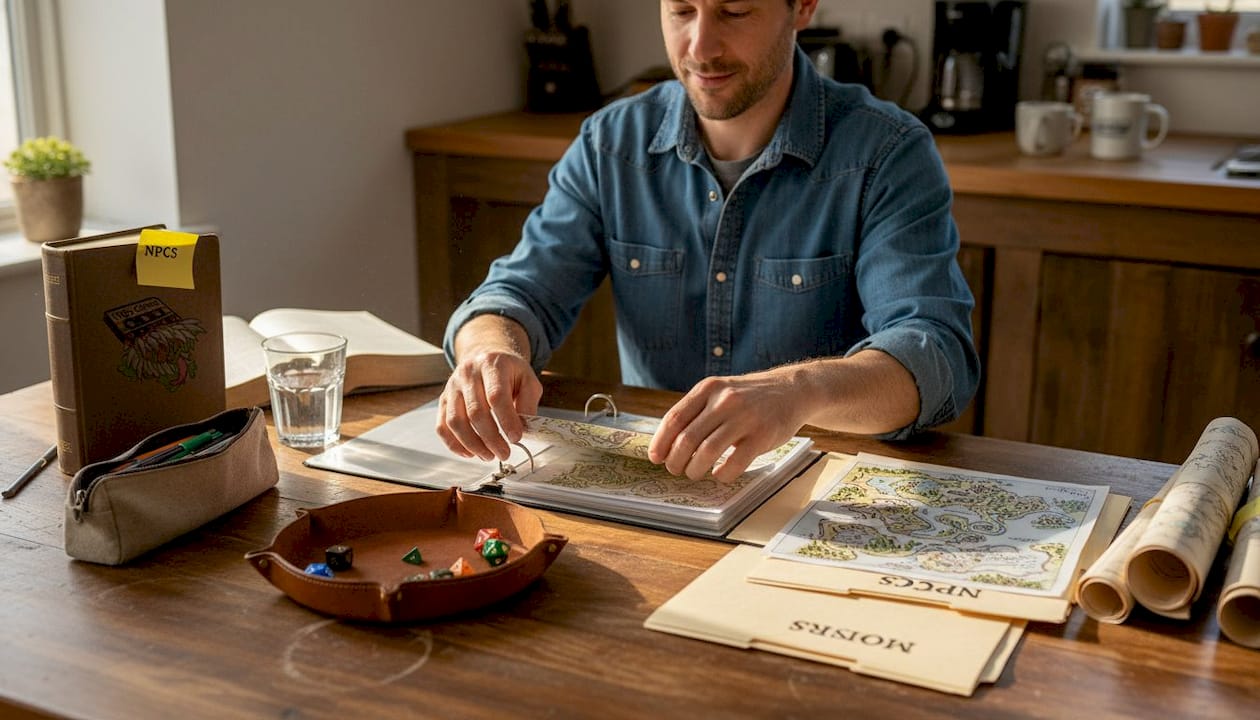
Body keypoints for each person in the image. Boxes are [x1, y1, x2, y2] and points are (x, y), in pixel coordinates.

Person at [436, 0, 979, 483]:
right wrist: (489, 351)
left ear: (804, 7)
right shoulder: (611, 143)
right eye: (680, 11)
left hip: (818, 496)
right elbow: (519, 292)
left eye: (735, 12)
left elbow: (935, 352)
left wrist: (797, 391)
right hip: (656, 485)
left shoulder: (888, 151)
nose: (700, 46)